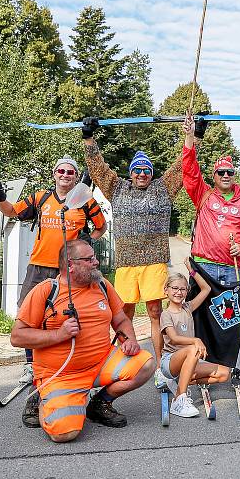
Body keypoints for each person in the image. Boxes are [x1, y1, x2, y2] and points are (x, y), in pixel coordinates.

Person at [0, 155, 107, 427]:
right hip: (39, 267)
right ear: (54, 174)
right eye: (61, 170)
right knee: (30, 316)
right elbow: (12, 212)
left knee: (69, 317)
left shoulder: (85, 201)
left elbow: (101, 227)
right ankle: (32, 364)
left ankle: (68, 364)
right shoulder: (41, 197)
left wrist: (90, 240)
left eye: (71, 172)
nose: (65, 175)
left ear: (76, 177)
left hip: (70, 270)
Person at [10, 239, 154, 443]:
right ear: (70, 265)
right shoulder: (46, 290)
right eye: (89, 259)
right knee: (64, 434)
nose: (96, 262)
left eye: (94, 257)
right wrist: (59, 334)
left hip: (101, 363)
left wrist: (129, 339)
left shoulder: (102, 285)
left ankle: (100, 404)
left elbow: (120, 319)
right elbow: (17, 336)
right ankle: (44, 396)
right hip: (61, 375)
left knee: (146, 364)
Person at [81, 117, 184, 389]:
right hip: (126, 264)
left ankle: (160, 363)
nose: (141, 173)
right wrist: (89, 138)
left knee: (154, 312)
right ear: (131, 172)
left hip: (154, 262)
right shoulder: (118, 188)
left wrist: (192, 137)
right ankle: (120, 357)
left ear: (151, 173)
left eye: (146, 170)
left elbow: (183, 166)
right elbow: (98, 169)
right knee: (123, 313)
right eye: (137, 170)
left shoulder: (162, 189)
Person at [182, 114, 240, 286]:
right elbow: (189, 169)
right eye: (221, 172)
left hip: (232, 269)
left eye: (230, 172)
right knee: (202, 313)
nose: (225, 175)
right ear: (214, 176)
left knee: (233, 313)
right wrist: (190, 136)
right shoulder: (203, 194)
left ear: (234, 175)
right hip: (203, 267)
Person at [159, 260, 231, 418]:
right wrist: (195, 340)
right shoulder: (166, 314)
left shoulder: (188, 308)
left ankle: (183, 381)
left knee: (225, 374)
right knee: (193, 349)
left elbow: (206, 289)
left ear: (187, 291)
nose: (179, 292)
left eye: (183, 289)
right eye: (175, 288)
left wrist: (192, 271)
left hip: (191, 360)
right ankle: (179, 399)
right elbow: (174, 338)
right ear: (166, 290)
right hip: (170, 362)